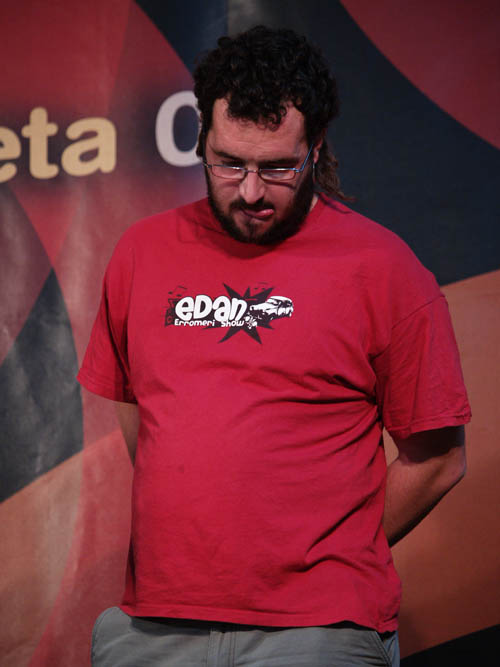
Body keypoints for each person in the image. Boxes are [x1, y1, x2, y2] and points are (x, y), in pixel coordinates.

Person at [78, 25, 471, 667]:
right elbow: (138, 411)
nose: (251, 191)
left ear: (315, 149)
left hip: (320, 630)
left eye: (277, 167)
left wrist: (329, 555)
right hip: (154, 627)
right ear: (201, 140)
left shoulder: (383, 267)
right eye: (229, 163)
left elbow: (438, 460)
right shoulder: (139, 253)